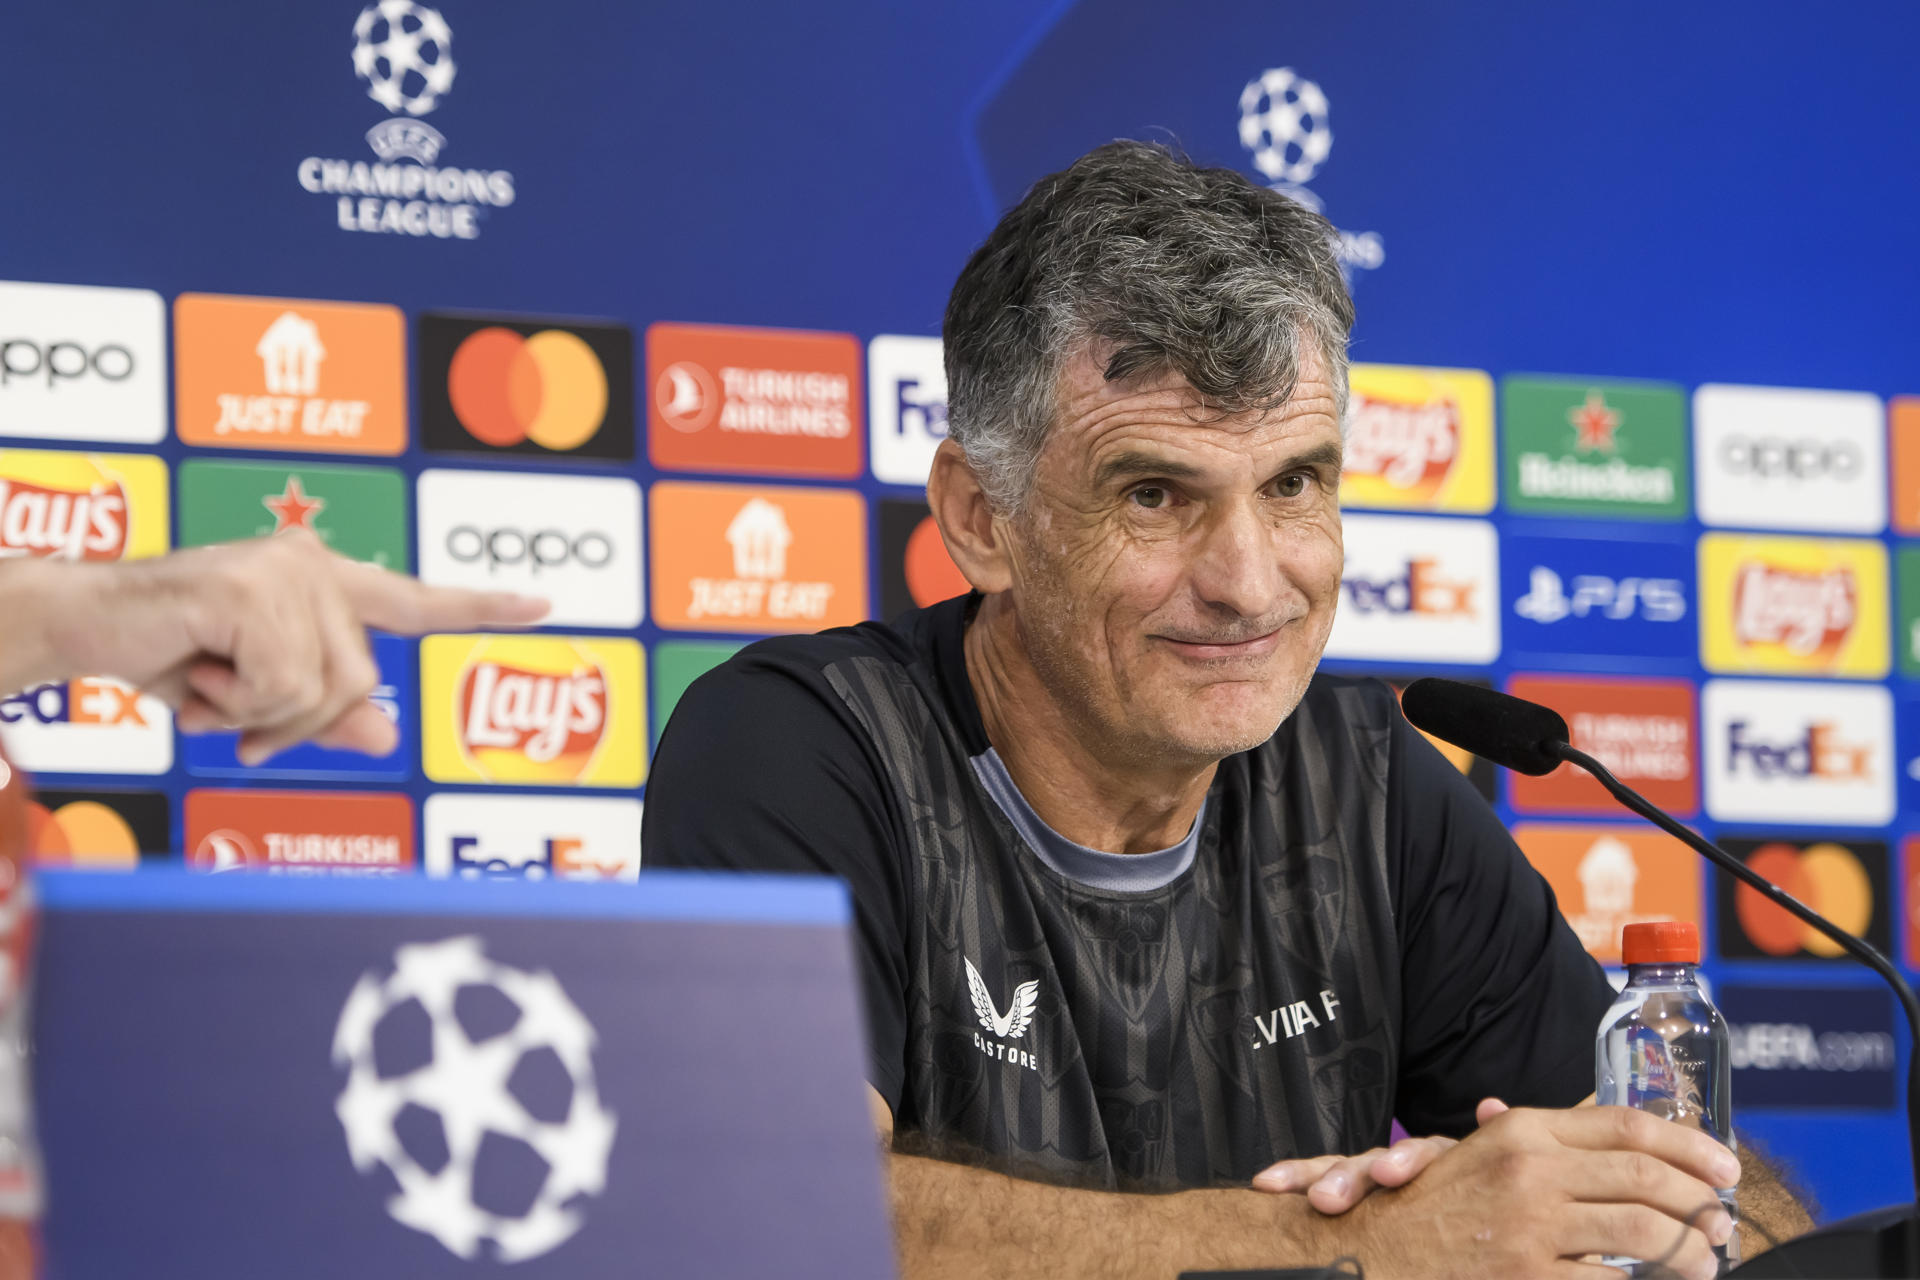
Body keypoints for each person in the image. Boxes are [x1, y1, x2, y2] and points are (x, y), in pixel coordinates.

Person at [642, 141, 1811, 1278]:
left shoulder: (1371, 787)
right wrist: (1368, 1248)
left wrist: (1648, 1227)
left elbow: (1720, 1204)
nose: (1250, 583)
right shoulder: (798, 749)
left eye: (1293, 483)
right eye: (1154, 493)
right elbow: (767, 1213)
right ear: (981, 519)